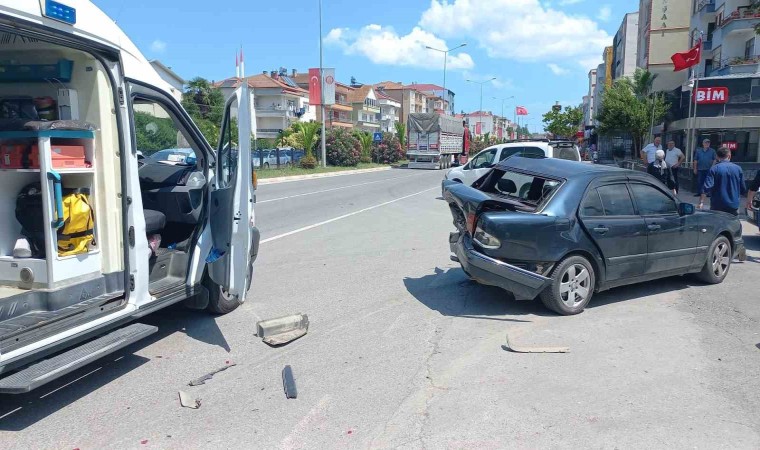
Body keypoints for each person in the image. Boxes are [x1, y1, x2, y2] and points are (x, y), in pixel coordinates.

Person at [699, 147, 747, 215]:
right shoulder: (738, 169)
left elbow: (706, 187)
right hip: (733, 205)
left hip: (717, 205)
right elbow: (743, 188)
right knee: (733, 221)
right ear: (729, 156)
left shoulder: (714, 169)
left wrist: (701, 202)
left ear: (717, 157)